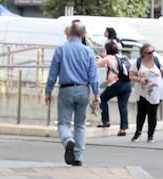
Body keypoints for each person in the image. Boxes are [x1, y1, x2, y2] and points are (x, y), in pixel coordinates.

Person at [44, 20, 101, 166]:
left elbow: (53, 73)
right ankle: (78, 157)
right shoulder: (88, 52)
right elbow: (93, 76)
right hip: (83, 90)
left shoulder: (61, 50)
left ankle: (68, 139)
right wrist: (96, 94)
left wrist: (48, 91)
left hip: (66, 90)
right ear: (83, 34)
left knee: (63, 123)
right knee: (80, 125)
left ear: (70, 32)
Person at [130, 43, 163, 142]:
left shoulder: (158, 61)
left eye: (153, 51)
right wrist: (140, 79)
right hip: (142, 92)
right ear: (143, 54)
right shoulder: (137, 63)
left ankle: (150, 135)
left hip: (156, 92)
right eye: (149, 52)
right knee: (141, 113)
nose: (152, 54)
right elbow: (131, 76)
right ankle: (138, 132)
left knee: (152, 113)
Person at [96, 40, 133, 135]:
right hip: (127, 83)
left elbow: (98, 64)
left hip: (117, 84)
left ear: (107, 49)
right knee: (123, 106)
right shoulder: (122, 57)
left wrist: (99, 58)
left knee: (102, 99)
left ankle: (105, 121)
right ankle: (123, 129)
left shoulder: (108, 57)